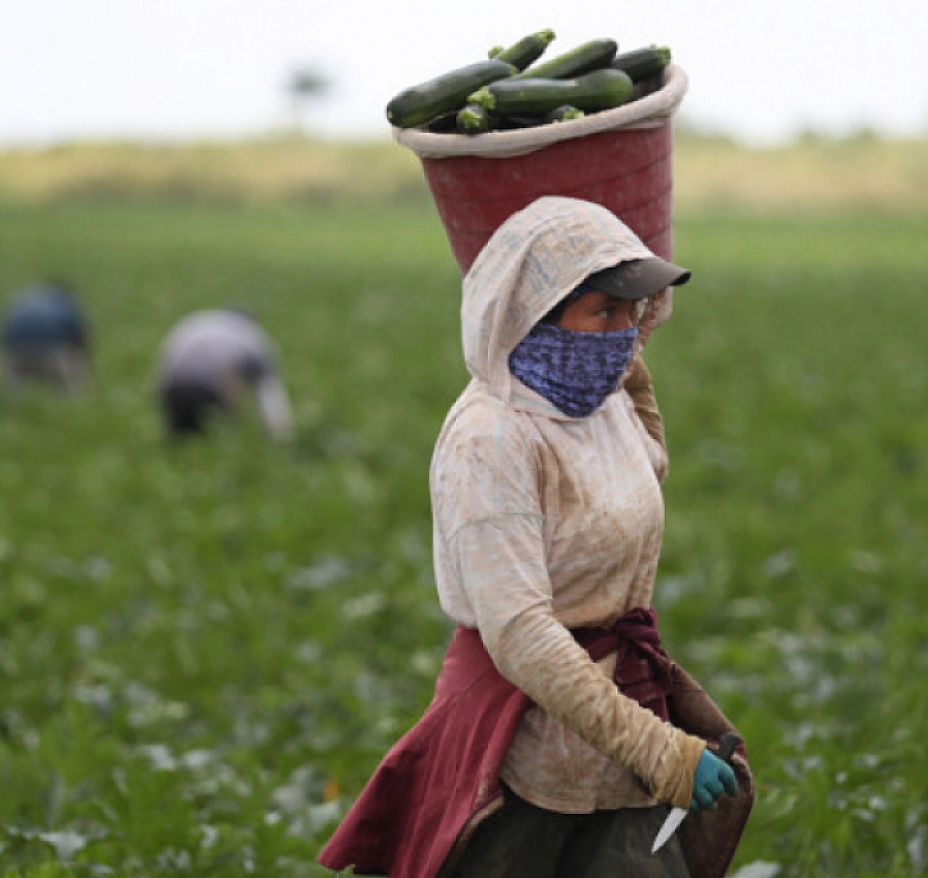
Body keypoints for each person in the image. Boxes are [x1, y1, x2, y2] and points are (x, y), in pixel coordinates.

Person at [319, 197, 754, 878]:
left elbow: (647, 469)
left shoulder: (597, 397)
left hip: (619, 712)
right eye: (603, 312)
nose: (624, 332)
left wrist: (633, 375)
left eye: (633, 313)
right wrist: (659, 752)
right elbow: (520, 631)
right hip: (523, 735)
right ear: (532, 315)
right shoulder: (492, 440)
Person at [155, 307, 293, 441]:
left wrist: (158, 392)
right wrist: (279, 431)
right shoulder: (251, 337)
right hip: (207, 389)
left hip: (173, 387)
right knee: (224, 433)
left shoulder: (198, 322)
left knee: (181, 436)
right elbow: (268, 390)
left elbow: (166, 358)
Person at [0, 280, 90, 392]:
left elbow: (2, 330)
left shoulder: (23, 299)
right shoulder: (64, 303)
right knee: (72, 381)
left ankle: (14, 402)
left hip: (14, 353)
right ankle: (73, 403)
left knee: (16, 390)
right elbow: (79, 337)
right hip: (50, 352)